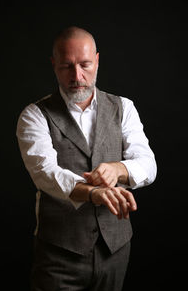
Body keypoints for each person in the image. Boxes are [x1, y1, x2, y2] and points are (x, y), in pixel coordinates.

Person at [16, 26, 157, 291]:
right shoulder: (34, 115)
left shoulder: (123, 107)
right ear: (53, 64)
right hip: (59, 253)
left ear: (98, 60)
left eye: (85, 65)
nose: (77, 76)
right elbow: (44, 173)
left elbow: (148, 164)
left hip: (115, 250)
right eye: (67, 66)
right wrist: (93, 192)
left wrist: (118, 168)